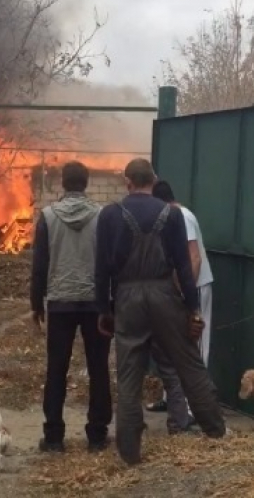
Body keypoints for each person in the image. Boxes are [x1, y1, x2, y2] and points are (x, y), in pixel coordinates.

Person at [94, 158, 227, 465]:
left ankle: (129, 452)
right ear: (153, 182)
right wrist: (193, 309)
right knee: (189, 364)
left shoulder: (110, 215)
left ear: (128, 182)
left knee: (129, 375)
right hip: (165, 295)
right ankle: (216, 432)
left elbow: (101, 270)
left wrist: (104, 310)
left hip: (127, 297)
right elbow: (183, 264)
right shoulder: (172, 214)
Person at [30, 161, 112, 453]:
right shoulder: (103, 216)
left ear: (63, 183)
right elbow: (108, 260)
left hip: (60, 302)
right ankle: (98, 435)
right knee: (99, 368)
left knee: (56, 369)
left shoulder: (48, 216)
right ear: (86, 182)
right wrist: (108, 302)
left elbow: (39, 264)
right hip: (94, 303)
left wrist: (35, 303)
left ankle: (53, 437)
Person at [144, 179, 215, 433]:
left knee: (196, 347)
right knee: (174, 344)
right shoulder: (175, 214)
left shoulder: (180, 215)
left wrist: (186, 296)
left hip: (193, 287)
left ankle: (196, 406)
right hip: (180, 289)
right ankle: (174, 401)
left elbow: (192, 256)